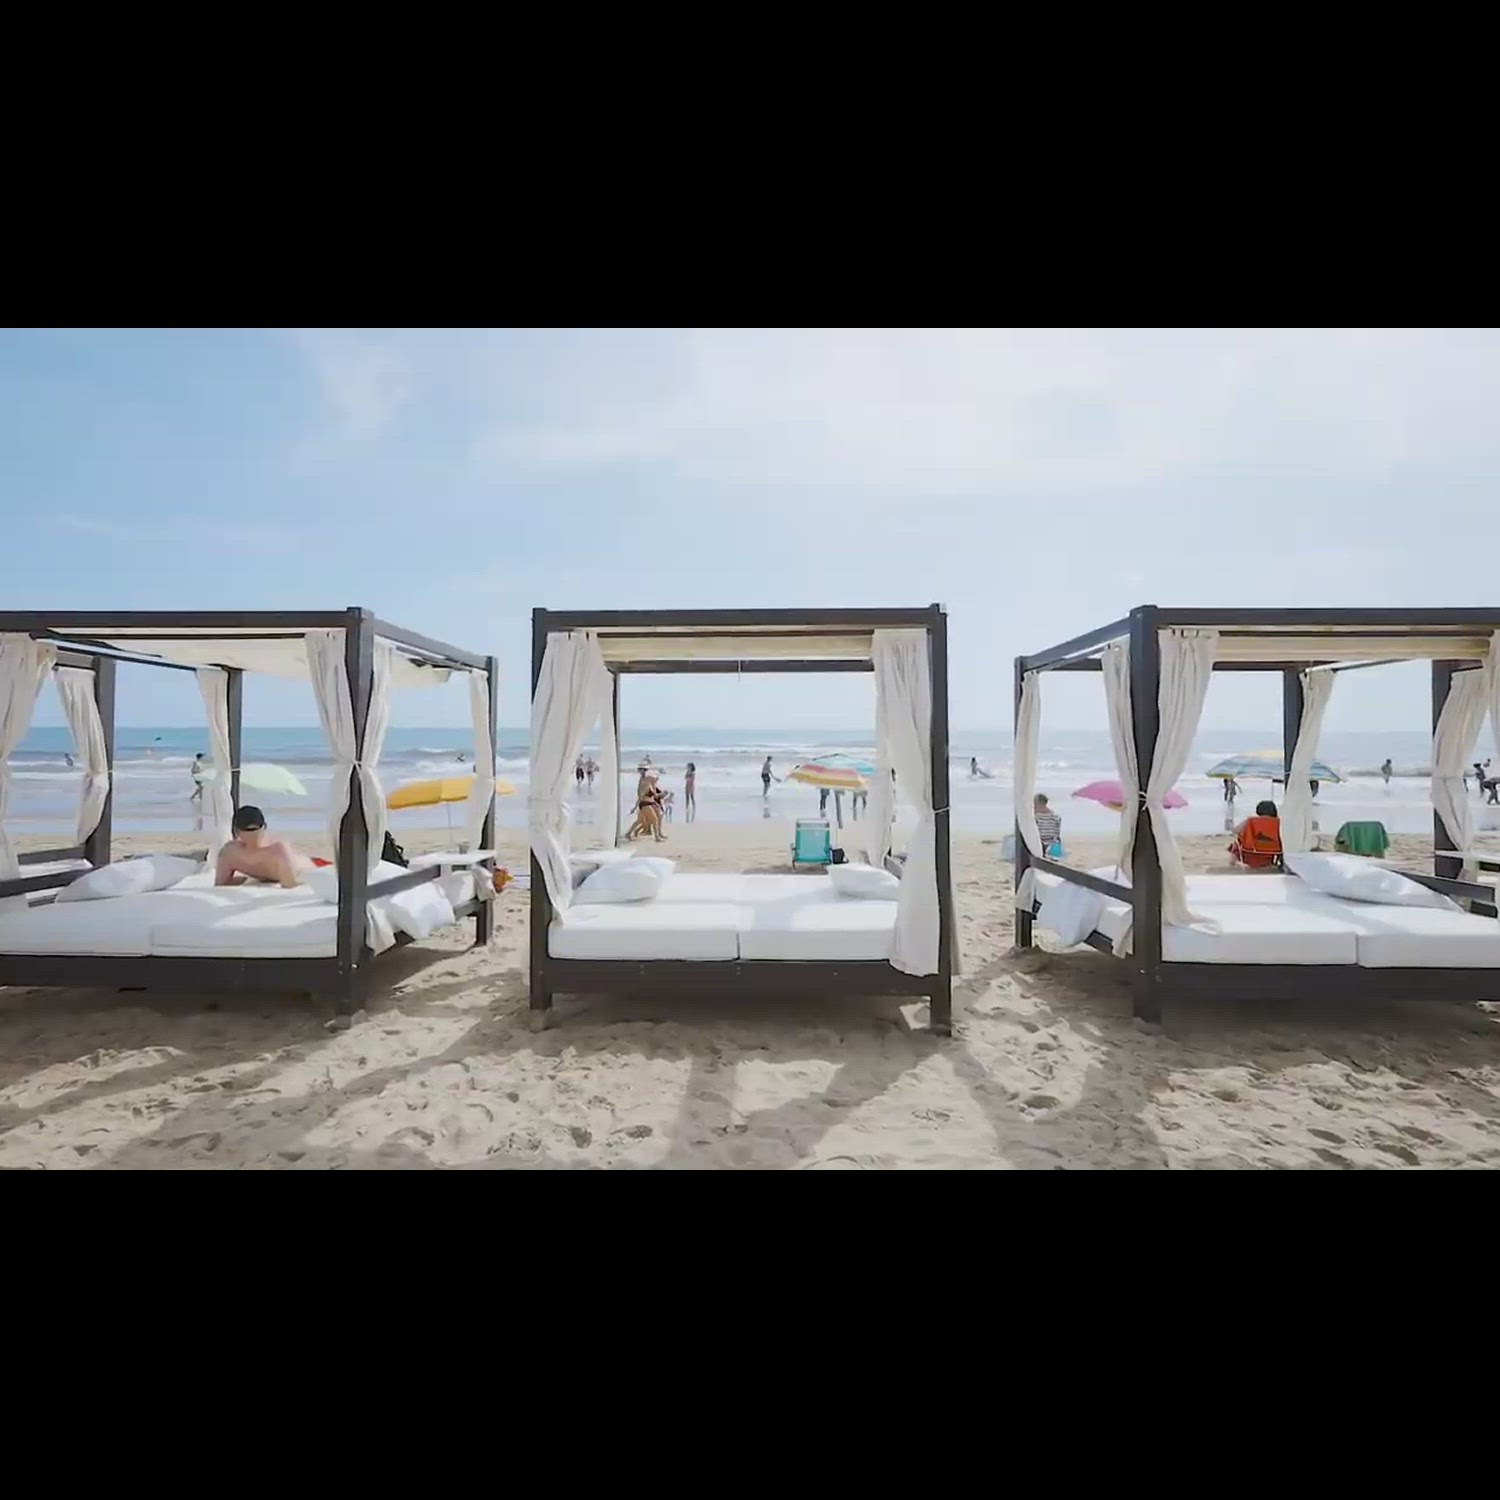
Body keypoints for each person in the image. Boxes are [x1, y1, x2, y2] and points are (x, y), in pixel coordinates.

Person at [215, 805, 312, 888]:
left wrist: (249, 881)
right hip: (287, 870)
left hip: (304, 868)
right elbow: (221, 885)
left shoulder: (277, 849)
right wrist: (248, 880)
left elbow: (290, 884)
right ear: (264, 827)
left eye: (253, 830)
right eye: (249, 830)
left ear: (236, 831)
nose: (252, 835)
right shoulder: (229, 853)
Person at [1230, 799, 1282, 869]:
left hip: (1250, 851)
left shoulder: (1251, 821)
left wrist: (1232, 826)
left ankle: (1236, 862)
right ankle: (1271, 864)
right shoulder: (1278, 822)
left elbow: (1235, 831)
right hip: (1269, 851)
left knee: (1237, 842)